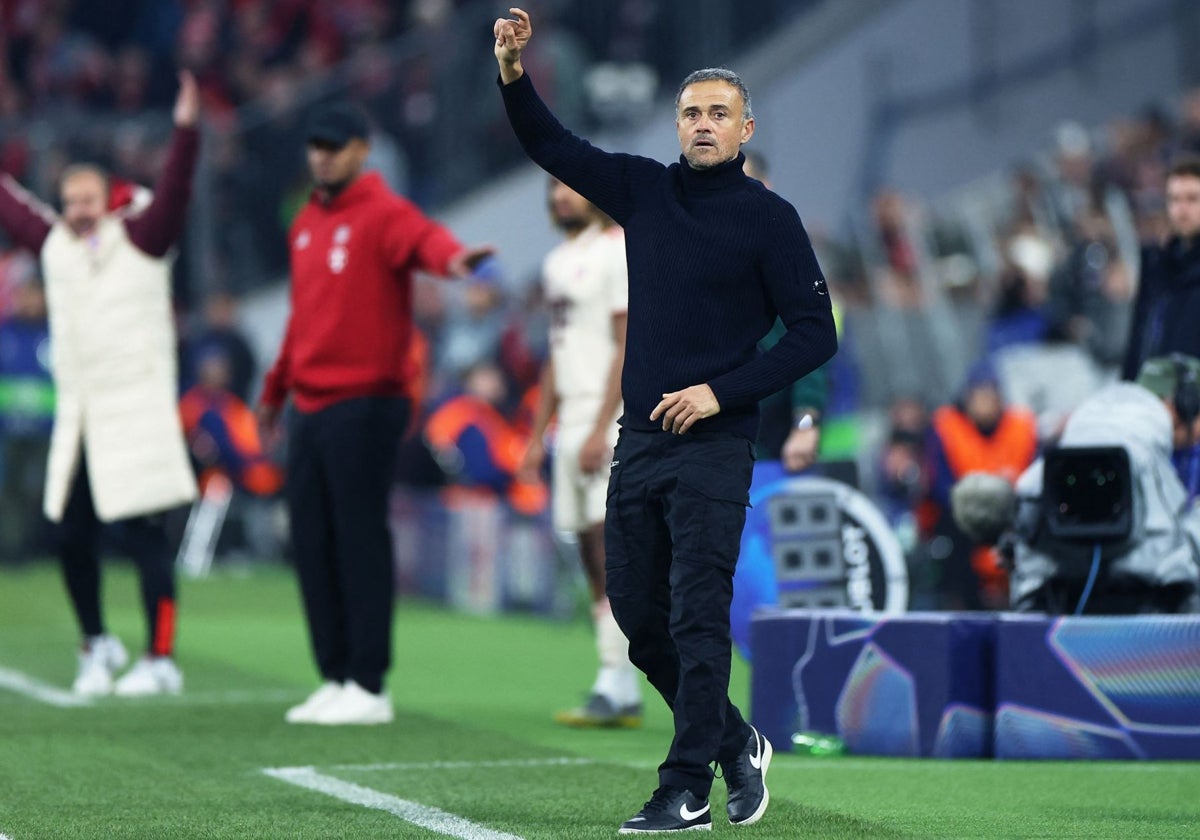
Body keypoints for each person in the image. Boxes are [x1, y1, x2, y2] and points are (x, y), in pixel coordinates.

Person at [494, 10, 837, 832]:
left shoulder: (769, 218)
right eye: (691, 112)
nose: (704, 124)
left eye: (720, 113)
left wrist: (723, 393)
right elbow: (556, 147)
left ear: (746, 127)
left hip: (716, 445)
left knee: (694, 614)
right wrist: (512, 73)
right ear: (676, 125)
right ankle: (733, 739)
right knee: (638, 618)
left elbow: (814, 332)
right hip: (640, 441)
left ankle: (683, 786)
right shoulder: (646, 191)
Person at [258, 99, 494, 726]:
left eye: (334, 146)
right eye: (316, 145)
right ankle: (334, 675)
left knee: (358, 535)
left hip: (368, 399)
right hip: (309, 400)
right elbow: (303, 317)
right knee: (310, 539)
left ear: (363, 150)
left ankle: (369, 683)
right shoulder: (306, 219)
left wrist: (454, 262)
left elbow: (426, 241)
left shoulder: (383, 211)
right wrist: (274, 389)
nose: (322, 155)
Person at [0, 72, 202, 696]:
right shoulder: (57, 247)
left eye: (88, 199)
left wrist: (187, 130)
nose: (78, 211)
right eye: (69, 200)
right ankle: (96, 645)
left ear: (109, 197)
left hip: (136, 414)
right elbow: (10, 206)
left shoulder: (142, 240)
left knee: (145, 541)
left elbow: (173, 193)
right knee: (69, 535)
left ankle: (161, 657)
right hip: (81, 419)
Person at [516, 176, 641, 728]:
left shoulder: (617, 249)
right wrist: (536, 432)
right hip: (571, 423)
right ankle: (614, 676)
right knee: (591, 552)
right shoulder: (557, 262)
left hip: (605, 416)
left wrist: (598, 427)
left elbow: (625, 342)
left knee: (608, 547)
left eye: (569, 187)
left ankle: (619, 679)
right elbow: (556, 353)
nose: (560, 197)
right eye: (553, 190)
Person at [742, 152, 829, 472]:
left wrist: (805, 426)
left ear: (765, 186)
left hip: (775, 444)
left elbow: (809, 348)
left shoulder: (785, 254)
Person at [926, 362, 1038, 609]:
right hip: (965, 517)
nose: (985, 402)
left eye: (991, 395)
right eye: (979, 395)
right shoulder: (947, 426)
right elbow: (940, 486)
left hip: (1014, 513)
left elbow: (1036, 475)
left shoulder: (1022, 426)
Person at [1122, 157, 1200, 380]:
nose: (1182, 209)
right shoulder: (1158, 266)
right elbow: (1139, 340)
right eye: (1174, 199)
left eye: (1192, 199)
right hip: (1154, 398)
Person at [0, 280, 53, 564]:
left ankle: (37, 547)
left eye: (34, 295)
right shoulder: (5, 333)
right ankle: (11, 551)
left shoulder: (53, 334)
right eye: (24, 295)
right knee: (9, 491)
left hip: (45, 430)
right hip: (8, 428)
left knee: (39, 490)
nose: (29, 302)